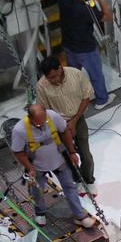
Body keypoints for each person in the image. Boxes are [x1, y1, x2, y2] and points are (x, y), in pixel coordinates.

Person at [10, 104, 97, 229]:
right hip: (37, 166)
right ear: (30, 118)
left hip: (59, 160)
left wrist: (72, 152)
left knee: (70, 187)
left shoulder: (52, 116)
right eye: (38, 124)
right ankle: (40, 212)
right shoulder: (20, 130)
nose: (41, 125)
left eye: (43, 121)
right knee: (37, 191)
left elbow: (65, 131)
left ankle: (80, 216)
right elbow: (18, 152)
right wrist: (30, 167)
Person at [36, 55, 98, 196]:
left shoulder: (75, 74)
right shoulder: (42, 85)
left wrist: (74, 121)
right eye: (49, 78)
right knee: (68, 156)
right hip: (58, 124)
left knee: (86, 155)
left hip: (78, 119)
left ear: (60, 69)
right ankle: (77, 179)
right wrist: (62, 127)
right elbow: (45, 110)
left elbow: (86, 96)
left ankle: (89, 180)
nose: (52, 80)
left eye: (54, 77)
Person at [57, 0, 115, 110]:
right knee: (96, 75)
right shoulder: (86, 10)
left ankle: (74, 100)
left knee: (73, 76)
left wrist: (86, 0)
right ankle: (102, 100)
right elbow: (108, 17)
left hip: (69, 46)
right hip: (85, 48)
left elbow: (74, 5)